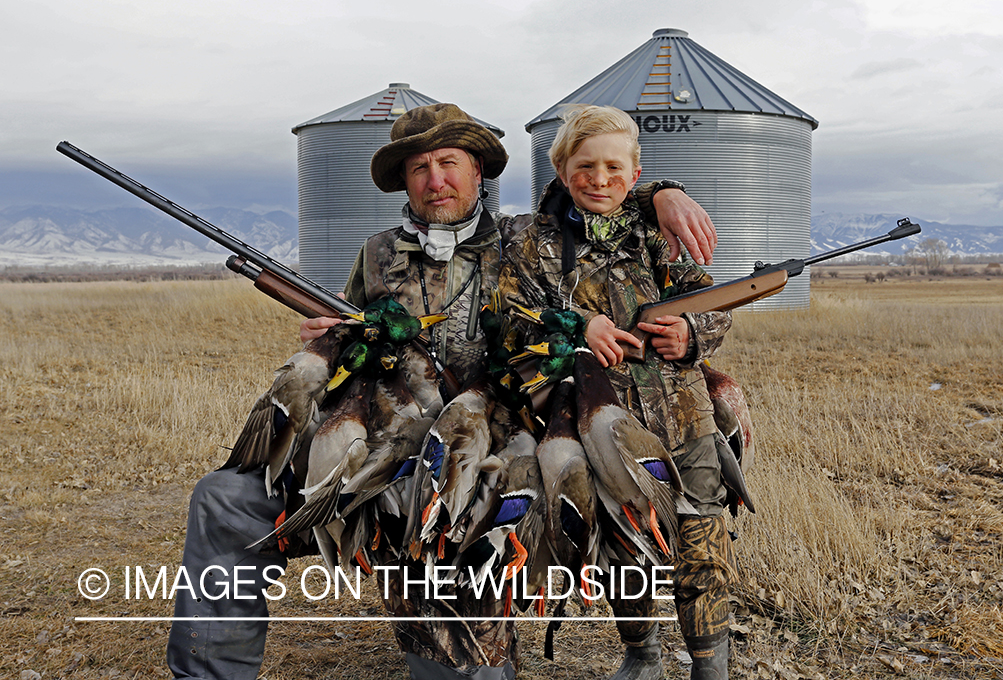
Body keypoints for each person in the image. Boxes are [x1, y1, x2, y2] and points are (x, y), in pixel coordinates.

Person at [168, 102, 719, 680]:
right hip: (381, 446)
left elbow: (596, 191)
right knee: (224, 499)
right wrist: (336, 340)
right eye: (418, 168)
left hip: (478, 463)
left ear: (478, 171)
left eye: (449, 162)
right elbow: (356, 346)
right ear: (402, 181)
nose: (436, 180)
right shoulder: (378, 253)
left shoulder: (524, 243)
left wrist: (662, 192)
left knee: (459, 649)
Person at [497, 104, 737, 680]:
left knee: (702, 544)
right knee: (623, 543)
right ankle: (642, 654)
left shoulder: (660, 233)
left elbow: (712, 303)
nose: (598, 179)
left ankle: (711, 665)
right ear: (560, 172)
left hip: (686, 419)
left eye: (612, 167)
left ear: (634, 175)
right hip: (602, 427)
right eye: (583, 167)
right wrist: (576, 325)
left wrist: (692, 333)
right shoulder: (533, 242)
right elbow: (510, 321)